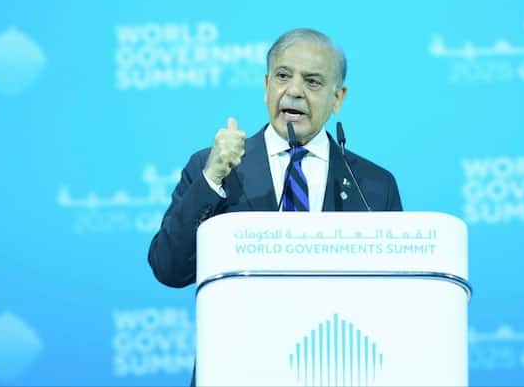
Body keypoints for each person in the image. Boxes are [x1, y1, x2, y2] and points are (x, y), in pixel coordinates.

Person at [148, 28, 403, 289]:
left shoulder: (374, 186)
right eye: (282, 76)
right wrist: (211, 179)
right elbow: (169, 270)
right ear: (266, 85)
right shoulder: (212, 168)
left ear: (337, 98)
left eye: (312, 81)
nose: (294, 91)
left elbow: (394, 288)